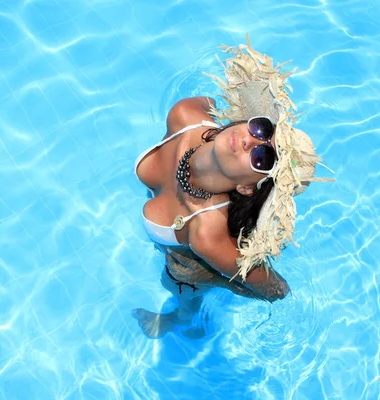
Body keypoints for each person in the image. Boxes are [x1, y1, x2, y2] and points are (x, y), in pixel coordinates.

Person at [132, 36, 333, 338]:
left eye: (263, 156)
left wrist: (217, 278)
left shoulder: (207, 234)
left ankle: (178, 320)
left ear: (248, 188)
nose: (252, 140)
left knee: (178, 291)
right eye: (263, 128)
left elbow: (276, 290)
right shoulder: (187, 114)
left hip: (186, 267)